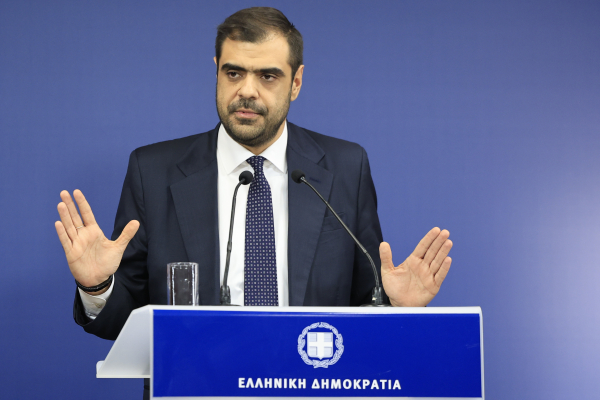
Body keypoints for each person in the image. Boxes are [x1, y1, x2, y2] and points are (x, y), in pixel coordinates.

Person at [56, 7, 452, 341]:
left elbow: (366, 303)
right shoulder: (153, 171)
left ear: (296, 83)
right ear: (216, 71)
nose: (247, 90)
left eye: (267, 76)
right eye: (233, 73)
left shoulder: (346, 167)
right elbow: (123, 322)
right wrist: (97, 286)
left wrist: (398, 308)